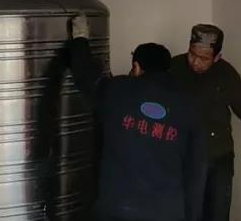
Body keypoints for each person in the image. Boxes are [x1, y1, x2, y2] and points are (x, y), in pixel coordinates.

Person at [65, 14, 208, 221]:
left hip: (117, 210)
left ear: (137, 67)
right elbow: (197, 171)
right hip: (167, 213)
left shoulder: (116, 90)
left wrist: (80, 38)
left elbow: (85, 77)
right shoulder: (191, 105)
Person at [170, 24, 241, 221]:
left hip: (219, 157)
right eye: (192, 54)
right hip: (184, 157)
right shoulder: (173, 69)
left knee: (218, 214)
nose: (196, 62)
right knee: (188, 214)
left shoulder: (226, 74)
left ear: (217, 57)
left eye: (204, 58)